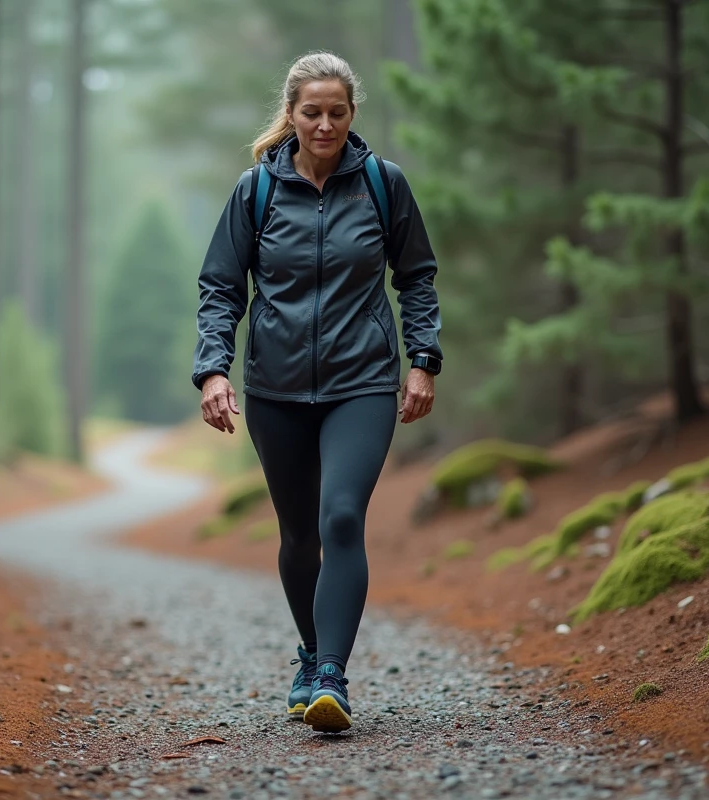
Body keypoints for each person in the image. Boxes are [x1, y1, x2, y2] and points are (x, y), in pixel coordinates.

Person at [190, 51, 443, 733]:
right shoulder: (257, 191)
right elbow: (220, 288)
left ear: (351, 113)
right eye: (312, 112)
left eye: (337, 112)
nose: (325, 123)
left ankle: (331, 672)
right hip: (274, 389)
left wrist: (423, 361)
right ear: (292, 115)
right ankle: (309, 653)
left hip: (360, 382)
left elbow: (415, 278)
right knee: (300, 535)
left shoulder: (383, 185)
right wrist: (214, 370)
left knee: (339, 519)